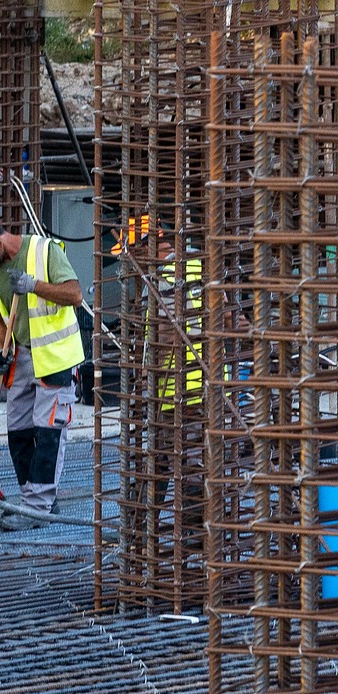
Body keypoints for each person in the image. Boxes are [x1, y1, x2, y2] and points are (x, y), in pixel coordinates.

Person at [0, 209, 85, 531]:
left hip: (55, 355)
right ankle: (35, 497)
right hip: (23, 357)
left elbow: (75, 294)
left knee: (48, 429)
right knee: (19, 431)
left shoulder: (44, 251)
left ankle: (38, 507)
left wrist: (35, 285)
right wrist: (2, 352)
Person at [112, 217, 204, 563]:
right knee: (170, 461)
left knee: (179, 462)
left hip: (179, 391)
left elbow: (166, 338)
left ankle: (184, 535)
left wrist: (145, 384)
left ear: (150, 245)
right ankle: (150, 531)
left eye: (132, 253)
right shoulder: (196, 266)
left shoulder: (168, 279)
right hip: (195, 388)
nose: (130, 263)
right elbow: (229, 318)